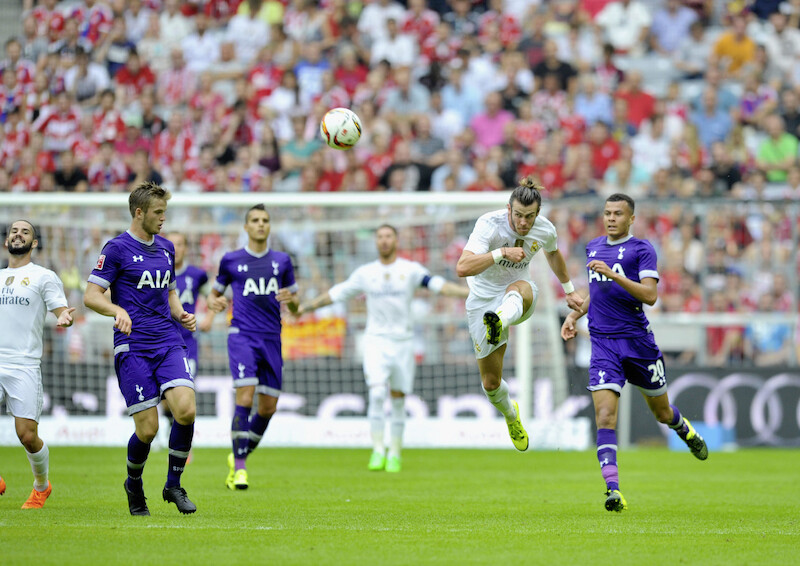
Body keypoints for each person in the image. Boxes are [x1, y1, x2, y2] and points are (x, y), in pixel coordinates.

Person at [560, 193, 708, 513]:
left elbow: (650, 296)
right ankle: (613, 490)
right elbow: (597, 295)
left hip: (638, 344)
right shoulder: (593, 246)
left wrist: (614, 274)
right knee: (604, 416)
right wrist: (574, 315)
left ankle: (684, 429)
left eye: (618, 214)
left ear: (631, 219)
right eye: (607, 213)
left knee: (662, 413)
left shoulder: (642, 250)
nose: (611, 218)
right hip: (602, 344)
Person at [295, 225, 470, 473]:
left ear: (396, 241)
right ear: (376, 242)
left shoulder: (410, 271)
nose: (384, 241)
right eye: (380, 237)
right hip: (376, 341)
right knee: (377, 394)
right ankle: (378, 450)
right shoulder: (367, 273)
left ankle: (395, 453)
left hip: (403, 343)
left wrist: (468, 292)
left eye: (389, 236)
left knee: (398, 400)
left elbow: (439, 285)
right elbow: (337, 294)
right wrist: (305, 307)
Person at [83, 182, 198, 516]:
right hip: (133, 347)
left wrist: (181, 314)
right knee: (148, 429)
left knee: (186, 409)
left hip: (168, 339)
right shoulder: (116, 249)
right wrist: (116, 310)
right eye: (158, 213)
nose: (164, 219)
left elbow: (170, 291)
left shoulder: (166, 248)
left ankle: (173, 484)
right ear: (139, 213)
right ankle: (133, 484)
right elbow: (92, 295)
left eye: (165, 212)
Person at [455, 178, 584, 451]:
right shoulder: (488, 224)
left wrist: (569, 290)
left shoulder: (545, 229)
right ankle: (511, 415)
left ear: (537, 214)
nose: (523, 223)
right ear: (508, 209)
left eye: (529, 217)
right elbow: (463, 267)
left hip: (518, 296)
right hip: (482, 301)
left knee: (521, 288)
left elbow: (553, 254)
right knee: (491, 383)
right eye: (518, 215)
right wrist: (500, 252)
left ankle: (500, 319)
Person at [204, 204, 299, 490]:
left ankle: (238, 455)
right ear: (246, 227)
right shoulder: (231, 260)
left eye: (265, 220)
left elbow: (295, 305)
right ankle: (242, 469)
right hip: (242, 335)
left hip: (272, 337)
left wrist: (290, 300)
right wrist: (213, 304)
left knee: (268, 407)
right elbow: (213, 295)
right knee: (244, 396)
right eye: (255, 220)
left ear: (270, 226)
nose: (260, 224)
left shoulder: (282, 261)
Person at [0, 220, 75, 509]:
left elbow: (60, 309)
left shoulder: (44, 277)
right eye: (13, 232)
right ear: (7, 242)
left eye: (25, 232)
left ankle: (41, 486)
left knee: (27, 435)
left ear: (34, 244)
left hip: (24, 363)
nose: (18, 234)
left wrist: (64, 317)